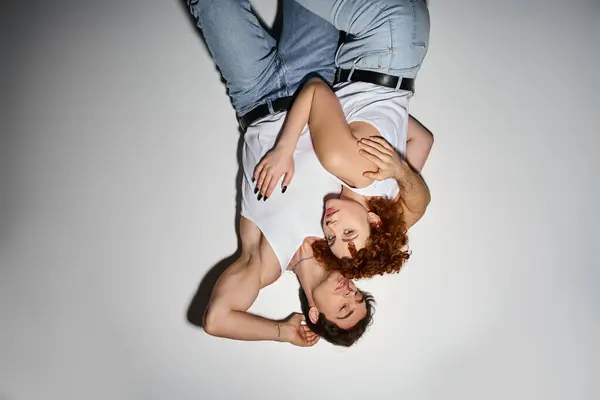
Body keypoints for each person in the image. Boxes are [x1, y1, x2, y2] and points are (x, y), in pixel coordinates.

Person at [187, 0, 376, 347]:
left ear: (316, 314)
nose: (350, 294)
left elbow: (216, 320)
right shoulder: (347, 236)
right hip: (314, 72)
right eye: (358, 297)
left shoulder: (264, 261)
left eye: (345, 308)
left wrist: (283, 332)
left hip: (254, 94)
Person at [252, 0, 433, 279]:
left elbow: (423, 140)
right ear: (374, 221)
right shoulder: (347, 167)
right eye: (348, 232)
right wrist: (283, 150)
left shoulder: (388, 185)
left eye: (333, 239)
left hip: (407, 46)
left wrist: (378, 109)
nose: (332, 226)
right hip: (381, 33)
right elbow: (314, 89)